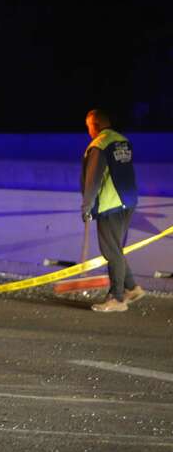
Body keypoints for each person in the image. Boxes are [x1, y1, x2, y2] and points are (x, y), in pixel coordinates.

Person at [81, 109, 144, 312]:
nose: (88, 131)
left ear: (95, 125)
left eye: (88, 126)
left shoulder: (99, 145)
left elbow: (93, 179)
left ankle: (117, 298)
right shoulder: (122, 141)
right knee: (115, 248)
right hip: (129, 201)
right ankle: (132, 288)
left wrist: (87, 206)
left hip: (110, 205)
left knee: (110, 251)